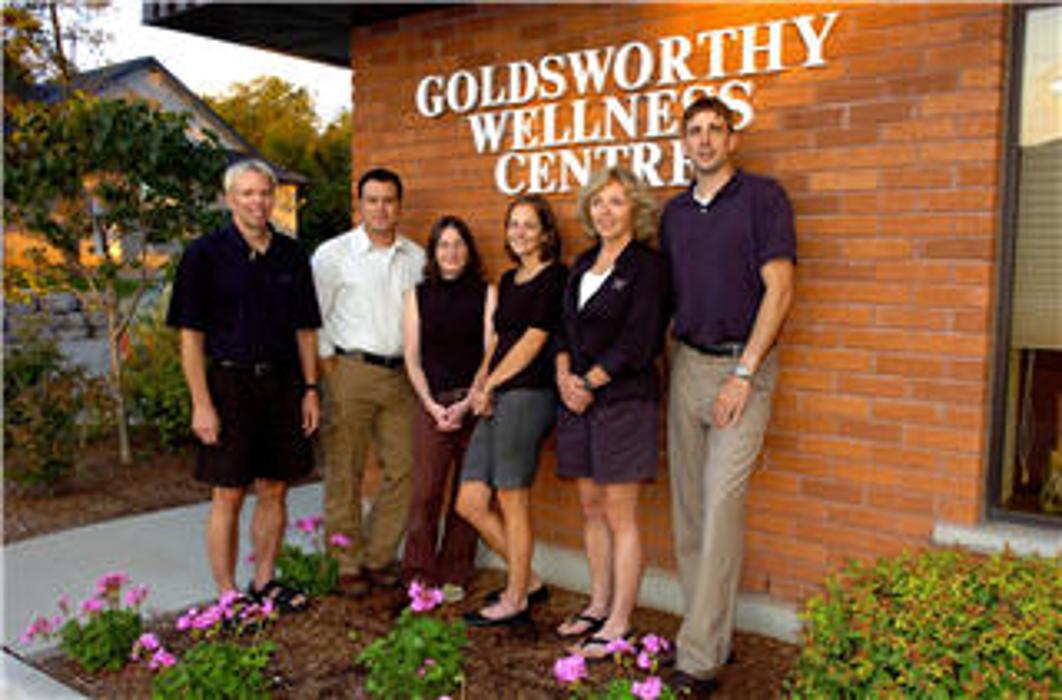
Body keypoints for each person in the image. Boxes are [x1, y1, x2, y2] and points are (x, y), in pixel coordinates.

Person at [660, 96, 796, 695]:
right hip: (687, 364)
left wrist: (744, 372)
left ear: (732, 139)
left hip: (744, 368)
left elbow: (781, 288)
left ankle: (699, 657)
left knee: (720, 506)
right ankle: (708, 633)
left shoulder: (763, 198)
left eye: (716, 129)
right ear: (684, 143)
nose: (705, 139)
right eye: (695, 131)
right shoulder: (674, 213)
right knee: (689, 511)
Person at [167, 159, 321, 612]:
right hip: (228, 385)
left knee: (275, 488)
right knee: (229, 492)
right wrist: (201, 403)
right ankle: (228, 593)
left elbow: (305, 330)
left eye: (265, 193)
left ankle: (264, 582)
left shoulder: (292, 254)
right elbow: (190, 338)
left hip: (283, 384)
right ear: (229, 199)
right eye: (248, 193)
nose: (258, 201)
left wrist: (310, 389)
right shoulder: (204, 254)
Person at [553, 166, 669, 658]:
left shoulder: (648, 266)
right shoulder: (582, 263)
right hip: (576, 402)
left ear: (635, 209)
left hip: (623, 401)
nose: (605, 211)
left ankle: (620, 620)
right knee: (591, 508)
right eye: (598, 202)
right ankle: (598, 604)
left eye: (617, 201)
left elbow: (640, 339)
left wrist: (588, 382)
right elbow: (562, 329)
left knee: (621, 515)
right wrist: (564, 376)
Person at [311, 167, 426, 596]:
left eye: (388, 200)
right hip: (350, 371)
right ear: (360, 205)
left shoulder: (416, 258)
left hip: (400, 376)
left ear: (400, 205)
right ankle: (346, 561)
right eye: (372, 200)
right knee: (346, 469)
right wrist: (329, 370)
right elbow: (314, 316)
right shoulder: (332, 255)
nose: (380, 208)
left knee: (405, 469)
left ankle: (378, 556)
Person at [455, 194, 567, 627]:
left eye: (529, 225)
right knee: (470, 501)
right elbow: (500, 342)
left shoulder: (555, 276)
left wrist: (492, 385)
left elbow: (533, 342)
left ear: (545, 233)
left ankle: (515, 597)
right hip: (497, 393)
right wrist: (479, 385)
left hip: (528, 395)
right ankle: (530, 580)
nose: (519, 232)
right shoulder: (509, 278)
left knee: (511, 498)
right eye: (513, 224)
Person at [400, 215, 496, 596]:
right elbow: (412, 357)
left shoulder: (486, 293)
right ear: (433, 252)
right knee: (425, 492)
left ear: (468, 250)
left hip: (474, 405)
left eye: (458, 244)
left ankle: (456, 573)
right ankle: (418, 575)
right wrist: (430, 404)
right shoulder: (418, 295)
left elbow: (490, 353)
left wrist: (470, 401)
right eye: (443, 245)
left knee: (467, 494)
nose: (451, 252)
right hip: (433, 405)